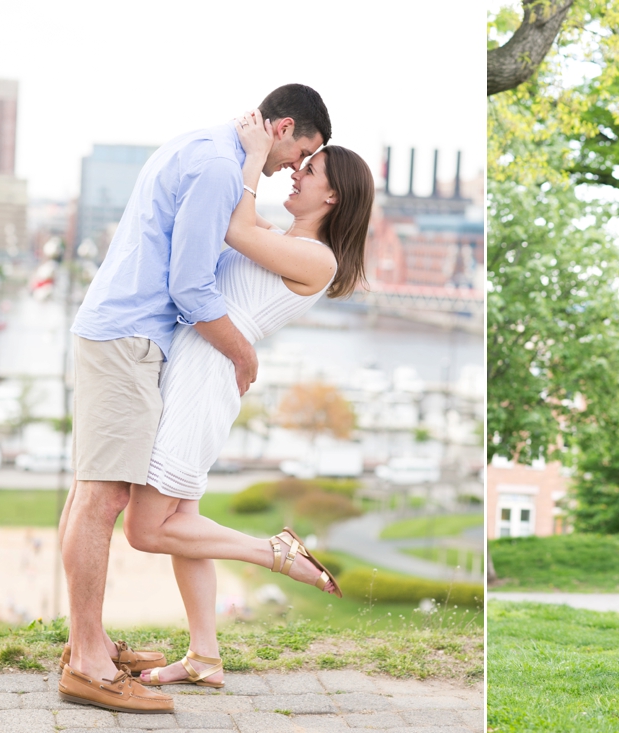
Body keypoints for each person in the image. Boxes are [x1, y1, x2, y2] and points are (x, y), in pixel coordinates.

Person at [58, 85, 332, 714]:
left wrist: (237, 349)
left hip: (149, 345)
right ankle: (89, 660)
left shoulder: (208, 151)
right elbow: (191, 286)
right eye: (302, 152)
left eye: (309, 165)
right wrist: (244, 353)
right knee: (106, 502)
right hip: (137, 338)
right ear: (283, 126)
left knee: (115, 505)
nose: (294, 167)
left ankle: (95, 647)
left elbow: (233, 245)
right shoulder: (218, 167)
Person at [121, 110, 375, 689]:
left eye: (310, 170)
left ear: (333, 196)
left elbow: (235, 228)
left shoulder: (317, 259)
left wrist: (257, 155)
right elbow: (237, 231)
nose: (298, 174)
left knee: (145, 529)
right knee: (182, 520)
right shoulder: (286, 243)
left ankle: (273, 552)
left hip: (202, 382)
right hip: (197, 373)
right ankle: (204, 656)